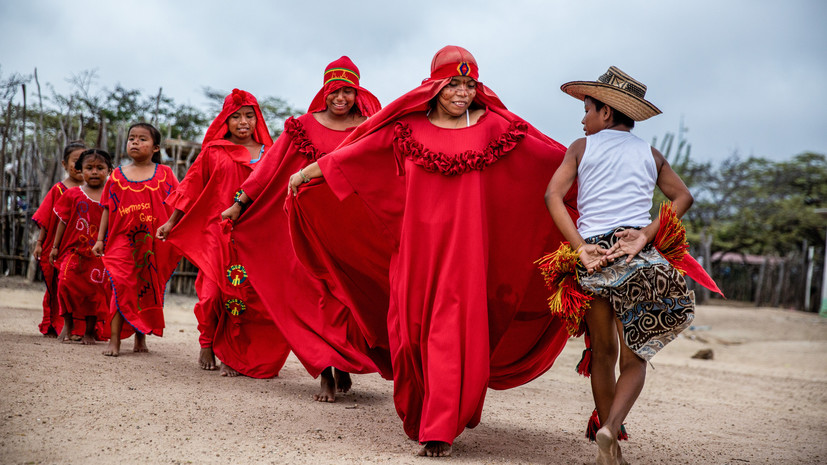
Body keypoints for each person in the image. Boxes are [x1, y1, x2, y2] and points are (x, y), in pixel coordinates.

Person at [286, 46, 576, 457]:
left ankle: (440, 429)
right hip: (414, 254)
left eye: (469, 84)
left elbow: (548, 157)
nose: (462, 92)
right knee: (409, 337)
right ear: (435, 86)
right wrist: (304, 174)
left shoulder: (495, 127)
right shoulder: (406, 128)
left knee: (451, 334)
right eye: (453, 84)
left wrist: (604, 164)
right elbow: (352, 156)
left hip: (466, 257)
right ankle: (426, 412)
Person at [541, 66, 722, 465]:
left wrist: (580, 248)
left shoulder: (580, 148)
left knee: (602, 354)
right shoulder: (651, 154)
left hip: (596, 257)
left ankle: (612, 446)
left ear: (606, 112)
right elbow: (683, 197)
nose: (582, 120)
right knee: (634, 358)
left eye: (587, 110)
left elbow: (553, 195)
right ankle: (610, 428)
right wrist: (645, 235)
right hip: (635, 258)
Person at [221, 56, 389, 397]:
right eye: (334, 90)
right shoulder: (302, 126)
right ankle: (326, 371)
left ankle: (343, 363)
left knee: (346, 299)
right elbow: (269, 167)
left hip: (351, 227)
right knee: (316, 296)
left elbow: (384, 171)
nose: (340, 98)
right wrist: (240, 204)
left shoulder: (370, 127)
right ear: (324, 91)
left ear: (357, 92)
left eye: (347, 91)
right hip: (305, 226)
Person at [156, 89, 291, 378]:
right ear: (225, 121)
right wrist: (171, 222)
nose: (243, 122)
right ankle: (207, 342)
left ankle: (236, 354)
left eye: (249, 116)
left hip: (257, 236)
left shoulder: (271, 153)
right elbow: (191, 187)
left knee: (251, 297)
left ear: (258, 119)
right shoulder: (213, 151)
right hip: (217, 232)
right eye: (236, 116)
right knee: (212, 294)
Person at [92, 123, 181, 357]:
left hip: (153, 243)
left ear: (155, 148)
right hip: (121, 240)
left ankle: (140, 336)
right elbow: (107, 208)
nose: (135, 142)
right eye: (132, 138)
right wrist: (100, 239)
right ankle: (114, 340)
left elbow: (179, 202)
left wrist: (173, 228)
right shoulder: (116, 176)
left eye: (142, 139)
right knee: (120, 284)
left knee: (146, 287)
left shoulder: (166, 174)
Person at [49, 148, 113, 345]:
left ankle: (89, 331)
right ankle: (68, 325)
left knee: (94, 293)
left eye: (100, 168)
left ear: (109, 171)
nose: (94, 172)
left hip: (99, 255)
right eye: (89, 168)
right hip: (73, 252)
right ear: (80, 170)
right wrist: (55, 246)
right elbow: (62, 221)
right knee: (65, 284)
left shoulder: (112, 196)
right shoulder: (72, 194)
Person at [32, 140, 86, 339]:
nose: (79, 165)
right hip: (59, 247)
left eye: (84, 161)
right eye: (75, 161)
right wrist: (40, 243)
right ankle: (56, 324)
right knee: (59, 285)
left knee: (83, 287)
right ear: (64, 164)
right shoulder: (59, 189)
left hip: (83, 248)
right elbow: (47, 219)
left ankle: (83, 328)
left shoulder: (94, 191)